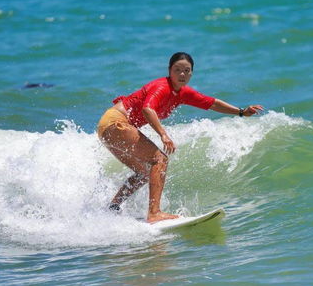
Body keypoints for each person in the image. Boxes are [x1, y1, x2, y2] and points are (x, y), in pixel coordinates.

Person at [97, 52, 263, 223]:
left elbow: (212, 103)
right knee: (160, 160)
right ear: (169, 71)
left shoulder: (183, 93)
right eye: (177, 70)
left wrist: (241, 112)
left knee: (144, 172)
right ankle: (154, 213)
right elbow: (148, 109)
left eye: (187, 70)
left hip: (107, 129)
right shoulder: (162, 87)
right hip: (115, 123)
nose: (182, 74)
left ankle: (113, 207)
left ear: (191, 73)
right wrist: (163, 135)